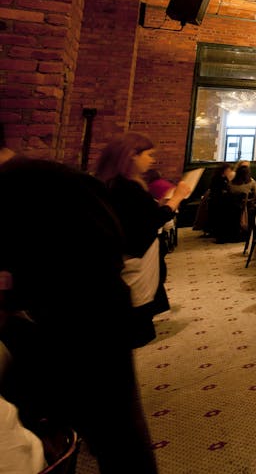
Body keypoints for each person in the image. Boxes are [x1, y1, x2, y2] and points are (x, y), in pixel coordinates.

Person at [0, 159, 161, 473]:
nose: (151, 160)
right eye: (145, 154)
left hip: (87, 319)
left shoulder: (41, 181)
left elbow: (111, 245)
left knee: (118, 429)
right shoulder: (48, 179)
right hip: (66, 319)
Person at [93, 132, 193, 347]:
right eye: (148, 154)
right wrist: (177, 198)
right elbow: (149, 221)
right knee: (134, 305)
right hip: (133, 254)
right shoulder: (124, 187)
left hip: (132, 252)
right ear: (131, 155)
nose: (152, 160)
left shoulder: (114, 183)